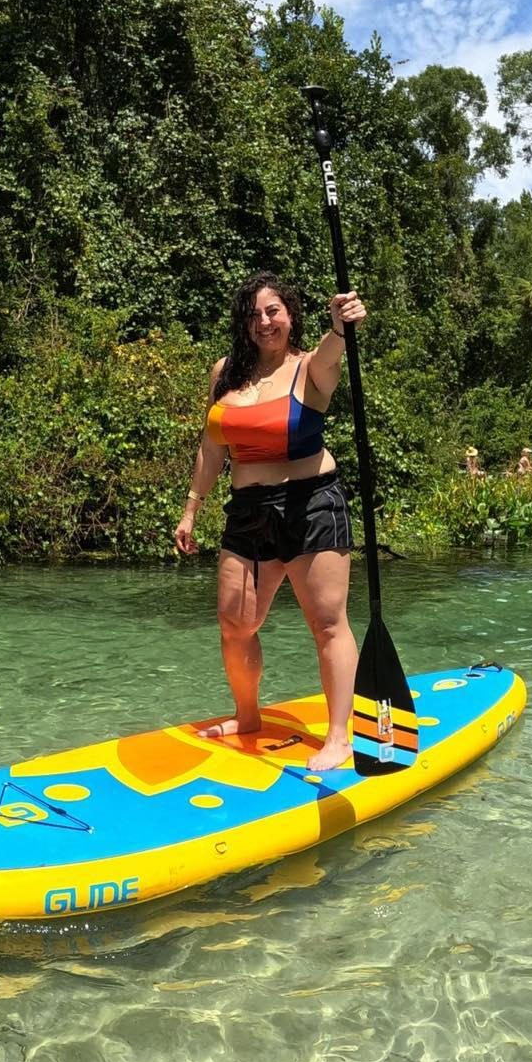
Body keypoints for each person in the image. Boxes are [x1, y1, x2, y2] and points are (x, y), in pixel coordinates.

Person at [174, 273, 366, 773]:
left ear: (290, 315)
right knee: (235, 623)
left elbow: (333, 350)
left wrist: (342, 324)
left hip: (312, 505)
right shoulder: (225, 374)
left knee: (327, 623)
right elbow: (212, 446)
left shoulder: (310, 369)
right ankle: (247, 716)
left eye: (274, 311)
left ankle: (339, 736)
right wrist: (192, 506)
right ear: (244, 321)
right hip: (248, 512)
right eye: (255, 313)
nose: (265, 321)